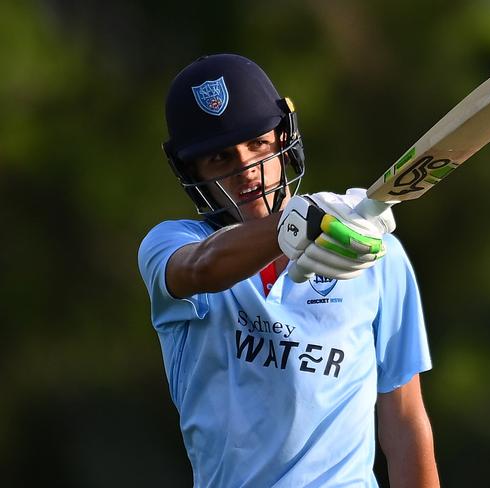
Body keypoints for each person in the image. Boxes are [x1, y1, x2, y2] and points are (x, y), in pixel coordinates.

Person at [138, 53, 440, 487]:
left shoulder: (372, 252)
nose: (247, 171)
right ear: (195, 174)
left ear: (284, 140)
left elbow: (405, 420)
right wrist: (298, 223)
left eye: (257, 144)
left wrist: (317, 222)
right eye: (221, 158)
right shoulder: (170, 244)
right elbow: (203, 267)